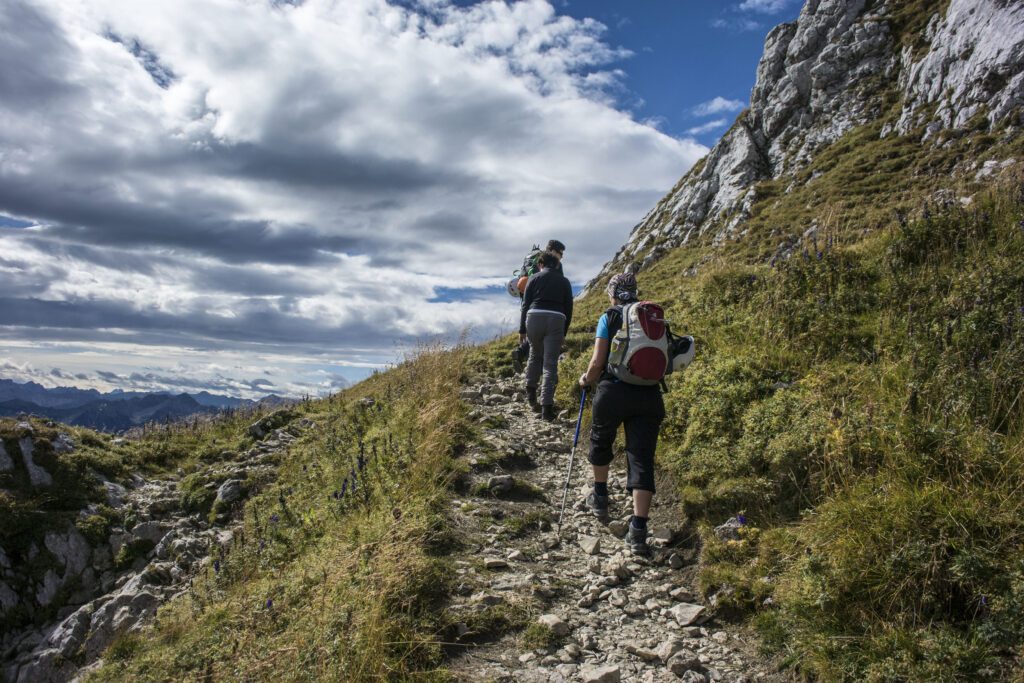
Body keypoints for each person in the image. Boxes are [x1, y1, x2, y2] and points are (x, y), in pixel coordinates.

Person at [578, 271, 665, 556]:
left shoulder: (611, 316)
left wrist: (585, 380)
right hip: (649, 395)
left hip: (613, 392)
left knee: (601, 441)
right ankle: (638, 530)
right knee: (641, 457)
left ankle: (600, 497)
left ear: (612, 292)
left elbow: (596, 362)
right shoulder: (650, 316)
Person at [520, 250, 574, 421]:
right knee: (550, 364)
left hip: (534, 317)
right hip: (557, 319)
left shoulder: (534, 278)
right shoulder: (564, 281)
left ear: (540, 264)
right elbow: (569, 308)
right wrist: (563, 332)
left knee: (535, 355)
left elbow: (525, 305)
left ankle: (530, 396)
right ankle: (547, 410)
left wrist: (522, 330)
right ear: (557, 264)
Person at [512, 240, 567, 372]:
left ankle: (521, 352)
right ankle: (539, 367)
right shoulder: (554, 264)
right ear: (553, 251)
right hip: (545, 304)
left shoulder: (537, 260)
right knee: (543, 335)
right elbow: (559, 284)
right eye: (560, 253)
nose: (561, 256)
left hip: (531, 302)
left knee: (536, 333)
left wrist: (522, 329)